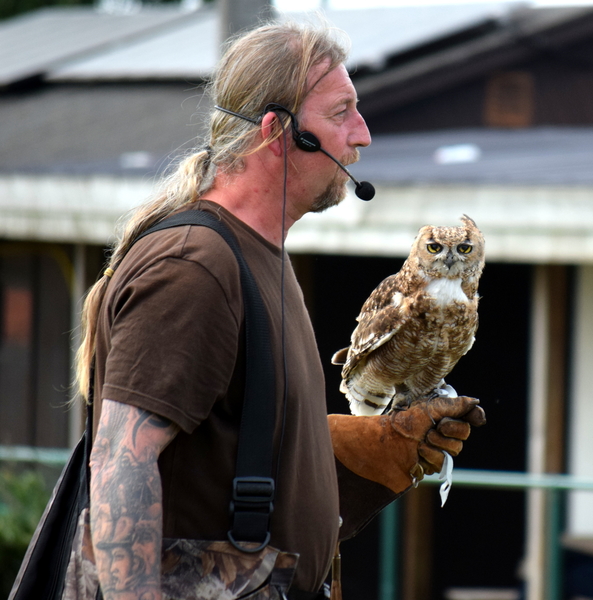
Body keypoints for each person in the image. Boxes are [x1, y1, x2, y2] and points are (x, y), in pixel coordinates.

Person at [75, 20, 485, 600]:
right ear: (277, 132)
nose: (363, 135)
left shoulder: (257, 253)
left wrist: (325, 458)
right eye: (342, 113)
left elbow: (215, 447)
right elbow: (121, 469)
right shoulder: (194, 267)